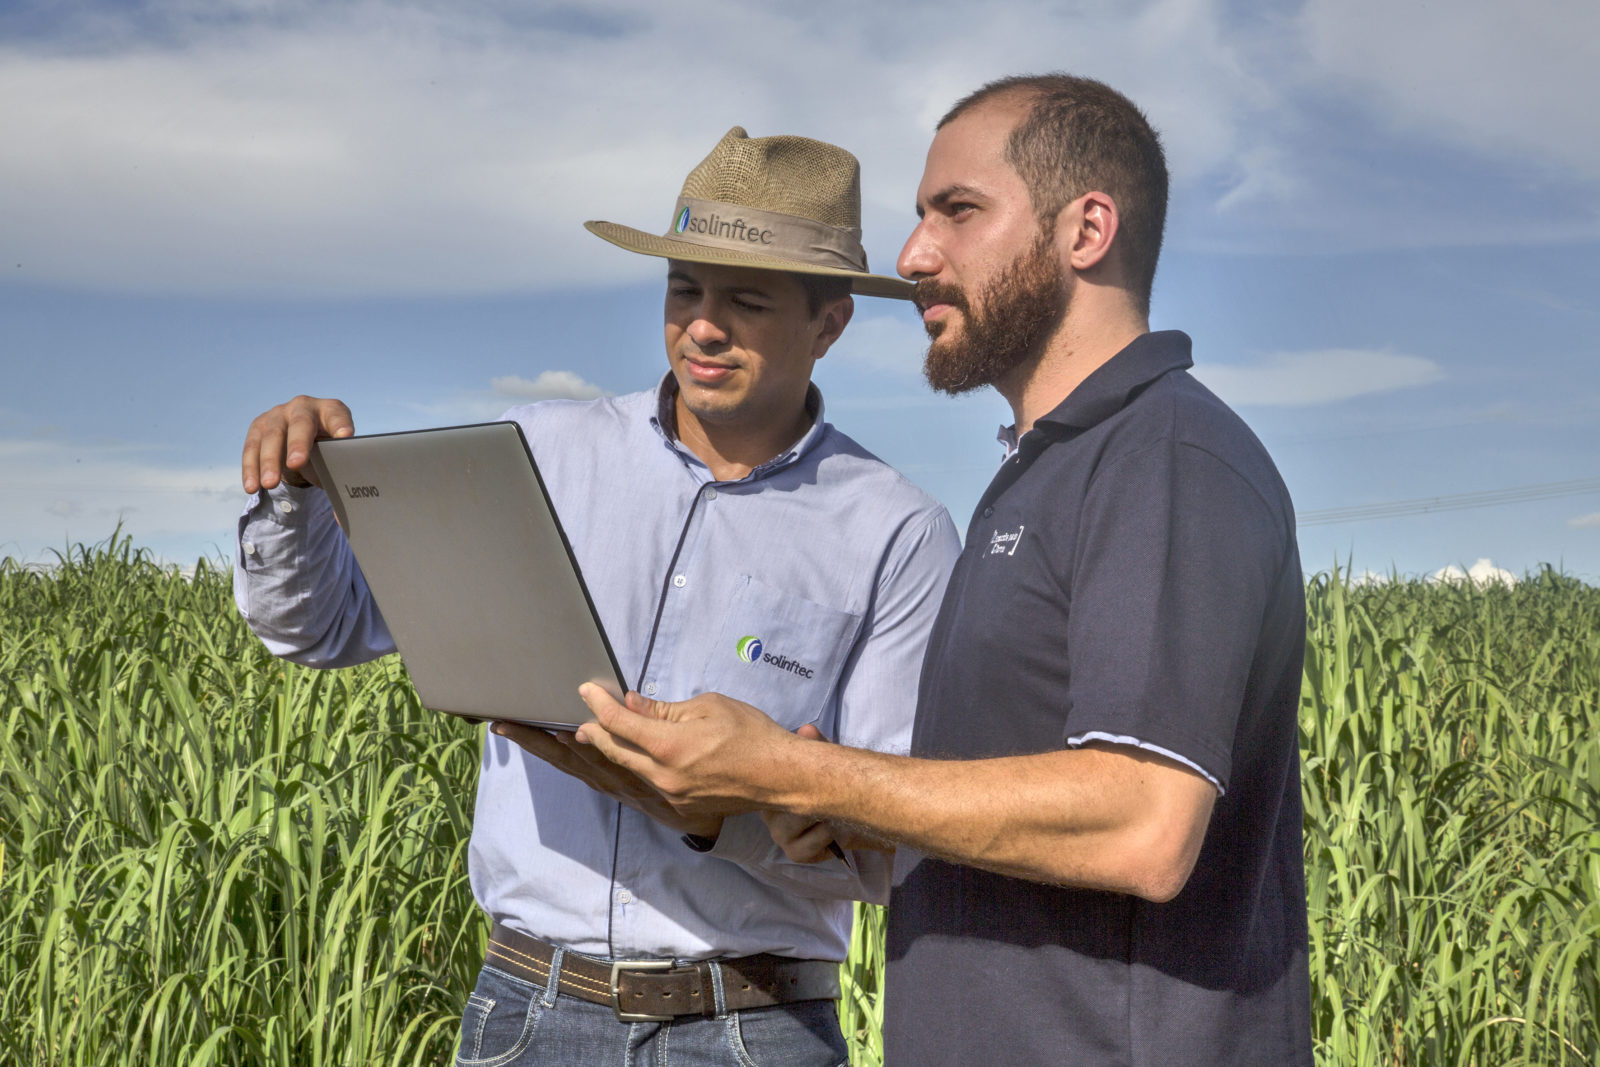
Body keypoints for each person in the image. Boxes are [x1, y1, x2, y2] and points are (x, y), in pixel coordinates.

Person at [560, 75, 1315, 1064]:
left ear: (1086, 229)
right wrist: (825, 813)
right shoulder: (1043, 471)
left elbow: (1142, 822)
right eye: (920, 217)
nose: (914, 256)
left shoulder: (1163, 458)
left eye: (958, 211)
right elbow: (1006, 807)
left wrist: (787, 764)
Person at [233, 126, 959, 1066]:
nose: (703, 325)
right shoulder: (534, 452)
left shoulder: (897, 532)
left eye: (745, 300)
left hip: (753, 1029)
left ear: (831, 324)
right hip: (523, 1010)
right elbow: (318, 627)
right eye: (684, 289)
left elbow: (893, 849)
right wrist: (293, 491)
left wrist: (714, 816)